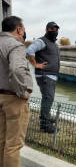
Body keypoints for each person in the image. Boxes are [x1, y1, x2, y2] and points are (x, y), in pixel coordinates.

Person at [0, 16, 33, 167]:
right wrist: (22, 91)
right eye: (23, 30)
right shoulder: (16, 45)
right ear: (19, 29)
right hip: (13, 99)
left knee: (1, 141)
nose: (23, 33)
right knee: (13, 145)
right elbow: (16, 69)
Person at [27, 22, 60, 133]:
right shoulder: (41, 41)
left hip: (51, 75)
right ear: (47, 30)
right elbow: (29, 51)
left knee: (48, 98)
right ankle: (45, 125)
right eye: (52, 29)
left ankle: (45, 118)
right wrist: (35, 64)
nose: (54, 31)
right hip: (45, 75)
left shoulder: (54, 44)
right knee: (48, 98)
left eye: (56, 29)